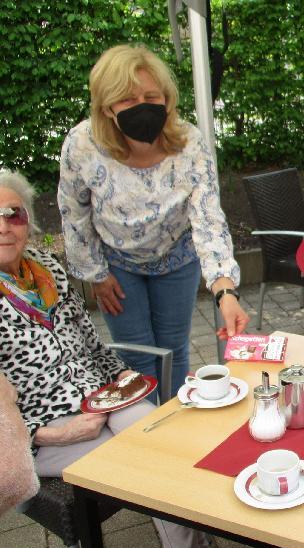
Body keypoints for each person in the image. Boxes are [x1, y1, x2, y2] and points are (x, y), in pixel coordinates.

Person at [0, 170, 218, 548]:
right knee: (143, 460)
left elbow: (88, 339)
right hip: (40, 433)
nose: (5, 225)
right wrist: (50, 434)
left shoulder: (46, 270)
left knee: (161, 437)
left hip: (98, 398)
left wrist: (122, 378)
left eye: (15, 214)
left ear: (29, 220)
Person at [57, 44, 248, 399]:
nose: (142, 106)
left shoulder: (189, 142)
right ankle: (145, 431)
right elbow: (74, 213)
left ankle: (174, 428)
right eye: (128, 100)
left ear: (167, 100)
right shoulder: (82, 144)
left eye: (151, 96)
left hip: (177, 258)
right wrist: (96, 275)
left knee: (174, 350)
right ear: (107, 107)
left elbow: (208, 217)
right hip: (117, 265)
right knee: (137, 357)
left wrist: (225, 292)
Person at [0, 373, 248, 548]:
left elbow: (98, 351)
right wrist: (59, 434)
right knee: (146, 462)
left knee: (169, 441)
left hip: (103, 401)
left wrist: (122, 375)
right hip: (49, 429)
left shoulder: (62, 319)